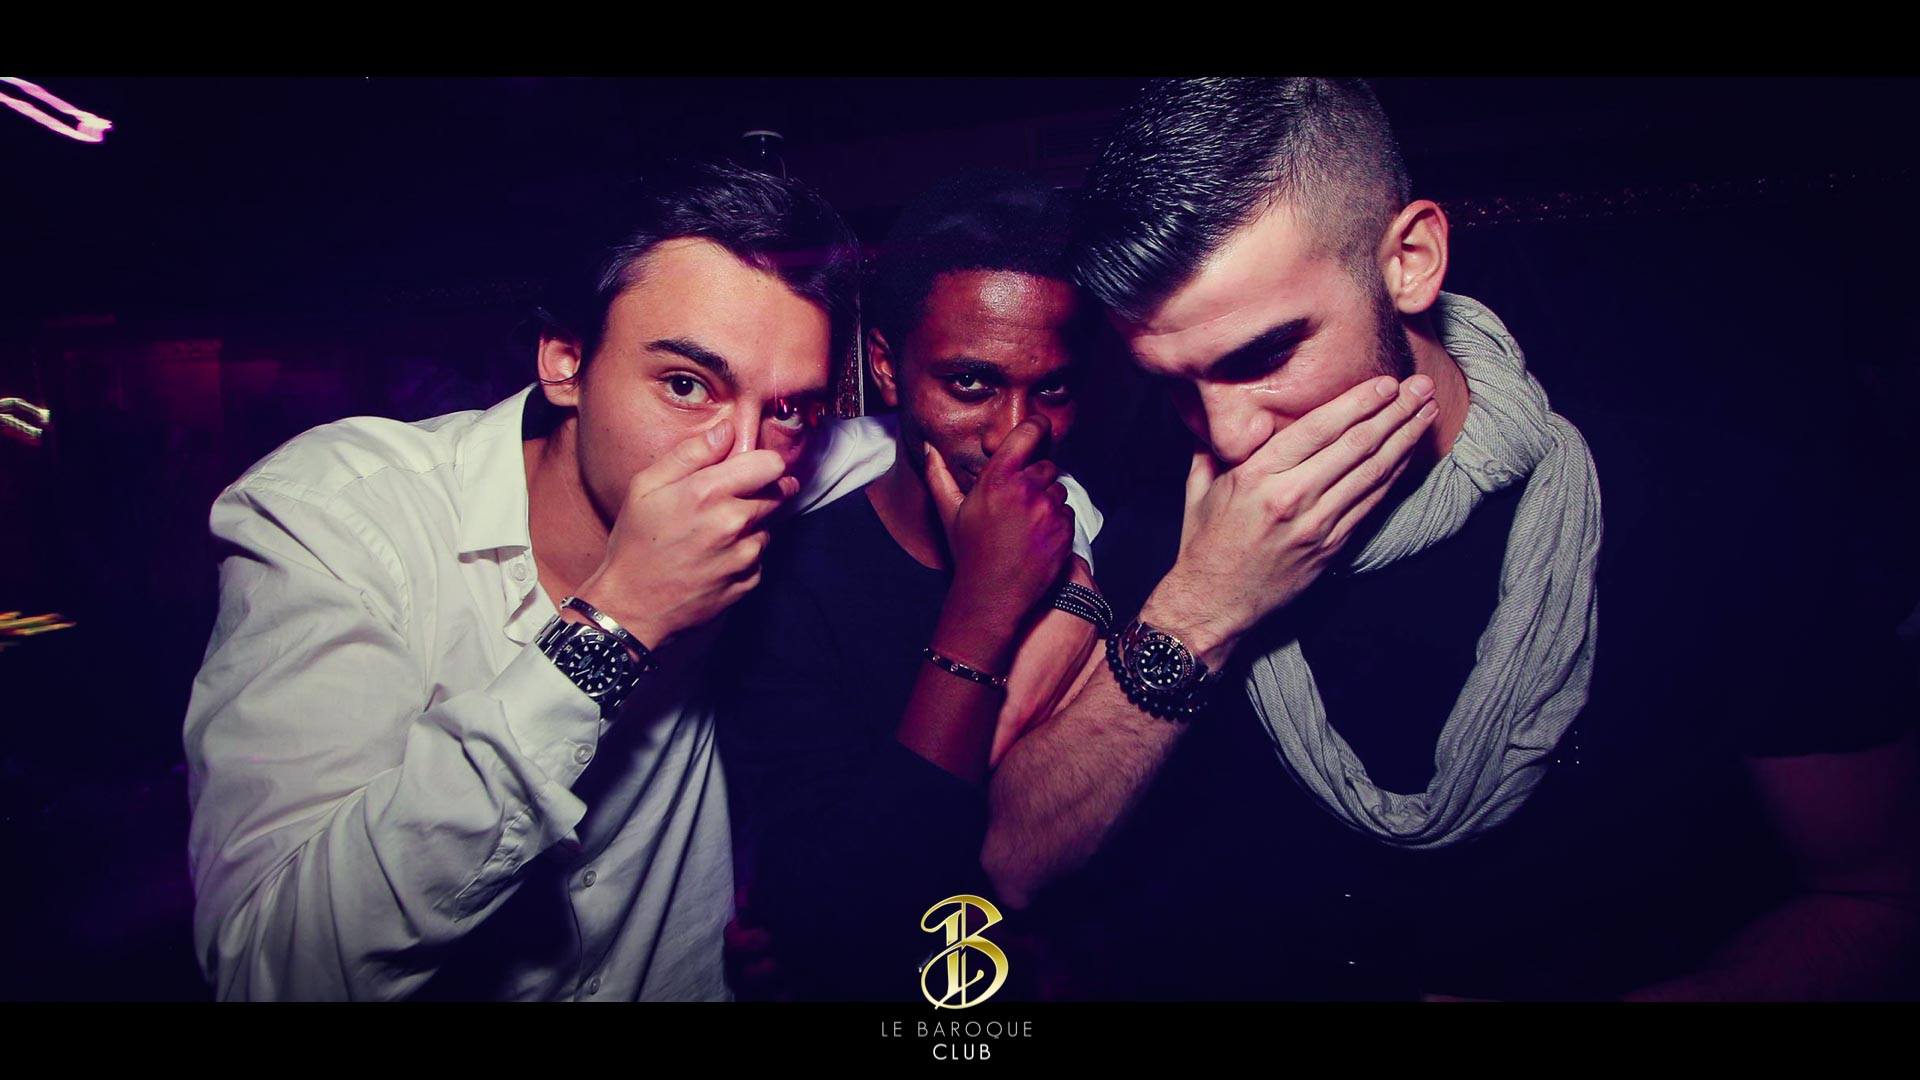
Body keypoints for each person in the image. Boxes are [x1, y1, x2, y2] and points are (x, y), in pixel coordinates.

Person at [981, 78, 1920, 1000]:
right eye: (1174, 384)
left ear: (1411, 259)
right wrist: (1202, 609)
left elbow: (1876, 901)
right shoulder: (1167, 530)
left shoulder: (1720, 507)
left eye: (1265, 355)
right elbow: (1015, 864)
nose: (1228, 436)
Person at [182, 161, 1095, 1001]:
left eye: (788, 408)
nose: (738, 455)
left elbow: (1000, 472)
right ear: (565, 359)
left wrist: (1075, 589)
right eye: (686, 385)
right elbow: (271, 971)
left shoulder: (797, 471)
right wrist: (614, 623)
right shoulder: (347, 519)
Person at [716, 173, 1107, 1001]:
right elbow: (840, 919)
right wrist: (983, 608)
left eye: (1052, 389)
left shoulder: (1122, 553)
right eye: (971, 384)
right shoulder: (783, 587)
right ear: (889, 369)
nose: (1015, 434)